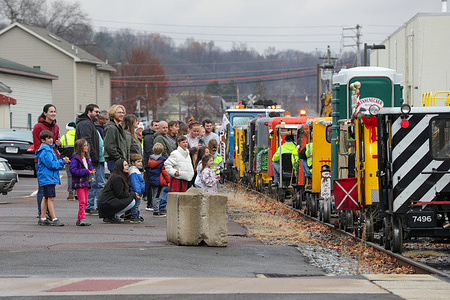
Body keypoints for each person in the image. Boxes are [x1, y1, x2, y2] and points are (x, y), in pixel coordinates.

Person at [32, 104, 61, 219]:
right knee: (42, 188)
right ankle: (42, 213)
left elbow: (55, 144)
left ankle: (48, 212)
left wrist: (58, 144)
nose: (53, 113)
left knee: (50, 188)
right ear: (45, 113)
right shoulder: (38, 127)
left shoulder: (56, 127)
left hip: (53, 160)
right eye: (51, 111)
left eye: (54, 111)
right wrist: (49, 156)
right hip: (42, 162)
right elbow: (37, 146)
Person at [35, 130, 69, 226]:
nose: (51, 140)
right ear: (42, 140)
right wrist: (62, 161)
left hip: (47, 177)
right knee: (51, 197)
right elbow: (51, 165)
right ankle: (54, 219)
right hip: (48, 177)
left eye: (51, 138)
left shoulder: (48, 149)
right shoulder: (46, 151)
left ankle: (43, 218)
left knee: (46, 197)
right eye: (48, 138)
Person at [76, 104, 103, 216]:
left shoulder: (89, 123)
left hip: (94, 159)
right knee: (94, 183)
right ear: (89, 112)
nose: (98, 114)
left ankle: (91, 206)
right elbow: (86, 141)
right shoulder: (85, 124)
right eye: (96, 112)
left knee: (95, 183)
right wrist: (93, 156)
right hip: (92, 159)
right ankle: (90, 206)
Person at [98, 159, 136, 224]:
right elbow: (120, 195)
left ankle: (111, 216)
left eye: (127, 165)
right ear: (120, 167)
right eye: (125, 165)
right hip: (107, 203)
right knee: (132, 201)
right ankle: (114, 216)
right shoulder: (118, 178)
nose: (127, 167)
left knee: (131, 199)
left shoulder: (118, 176)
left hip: (106, 202)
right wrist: (133, 195)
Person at [69, 139, 95, 227]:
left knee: (85, 201)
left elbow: (89, 169)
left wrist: (91, 174)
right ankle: (82, 218)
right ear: (80, 147)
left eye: (87, 145)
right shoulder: (75, 158)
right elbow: (73, 170)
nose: (86, 147)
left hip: (86, 182)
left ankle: (80, 218)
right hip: (79, 183)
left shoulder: (87, 158)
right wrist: (86, 171)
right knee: (82, 201)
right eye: (84, 145)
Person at [147, 143, 171, 217]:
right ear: (162, 150)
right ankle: (156, 211)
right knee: (158, 196)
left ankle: (155, 208)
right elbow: (165, 172)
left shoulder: (151, 160)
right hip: (159, 180)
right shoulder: (163, 161)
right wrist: (168, 181)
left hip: (152, 180)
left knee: (154, 195)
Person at [104, 105, 128, 172]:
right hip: (114, 161)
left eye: (123, 113)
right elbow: (109, 146)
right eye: (119, 112)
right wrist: (119, 158)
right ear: (113, 114)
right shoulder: (111, 128)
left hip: (119, 160)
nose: (122, 114)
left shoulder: (118, 127)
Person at [142, 120, 159, 208]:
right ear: (151, 126)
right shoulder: (148, 137)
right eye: (155, 125)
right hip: (150, 164)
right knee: (149, 183)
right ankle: (150, 203)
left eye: (158, 125)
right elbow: (149, 152)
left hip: (153, 163)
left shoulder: (156, 136)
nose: (157, 127)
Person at [60, 121, 76, 201]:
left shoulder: (64, 137)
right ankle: (77, 191)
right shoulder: (78, 136)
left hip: (68, 159)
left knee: (70, 176)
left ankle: (70, 193)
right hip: (77, 159)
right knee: (78, 175)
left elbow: (61, 148)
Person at [128, 154, 145, 223]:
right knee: (135, 204)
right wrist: (138, 191)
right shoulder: (134, 172)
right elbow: (135, 183)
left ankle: (136, 215)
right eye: (138, 161)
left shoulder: (136, 170)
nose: (140, 163)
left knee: (137, 204)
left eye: (141, 161)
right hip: (137, 191)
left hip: (139, 191)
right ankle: (134, 216)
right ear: (133, 163)